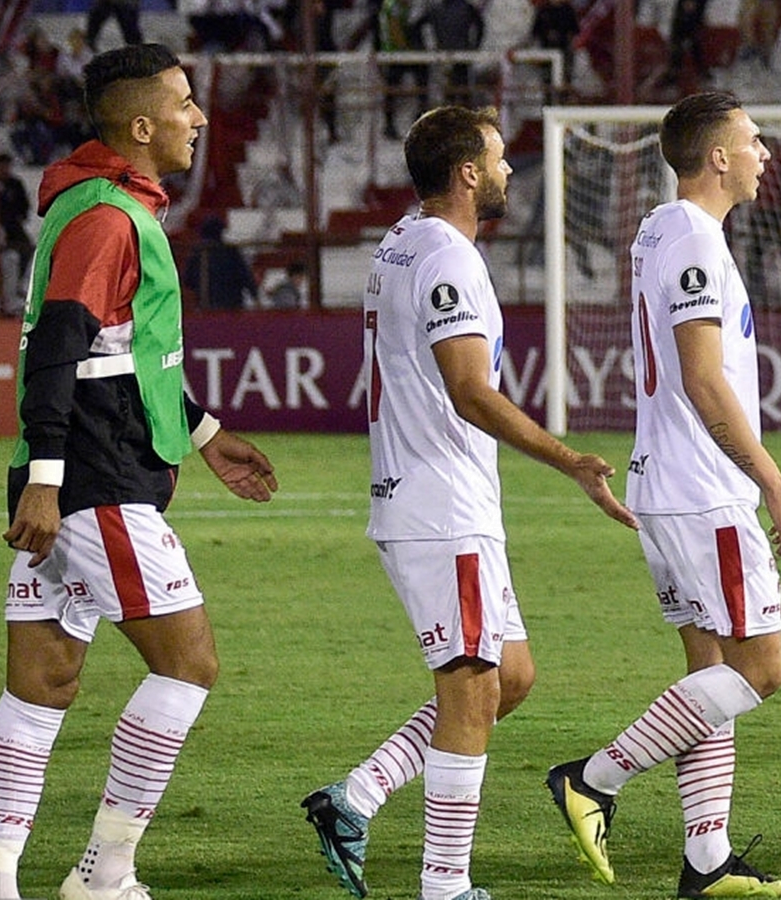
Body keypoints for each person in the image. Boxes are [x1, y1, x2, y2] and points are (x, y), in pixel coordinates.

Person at [0, 43, 279, 900]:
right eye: (183, 104)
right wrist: (49, 478)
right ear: (141, 125)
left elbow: (123, 357)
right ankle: (105, 870)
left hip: (72, 473)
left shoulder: (98, 205)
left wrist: (205, 431)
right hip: (95, 481)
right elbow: (59, 349)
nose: (199, 118)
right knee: (189, 662)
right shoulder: (108, 217)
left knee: (43, 681)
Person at [300, 104, 637, 900]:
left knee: (508, 677)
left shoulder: (401, 240)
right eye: (498, 158)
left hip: (439, 501)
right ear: (466, 175)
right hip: (439, 504)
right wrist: (569, 462)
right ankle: (445, 886)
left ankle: (357, 797)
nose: (510, 171)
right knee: (469, 686)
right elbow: (470, 392)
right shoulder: (448, 257)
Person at [546, 91, 781, 900]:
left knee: (708, 672)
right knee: (761, 670)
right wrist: (775, 484)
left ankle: (707, 860)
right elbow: (703, 378)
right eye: (754, 139)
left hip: (666, 483)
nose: (766, 152)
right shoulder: (694, 240)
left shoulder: (660, 229)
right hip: (705, 491)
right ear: (720, 157)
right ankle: (593, 778)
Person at [183, 214, 259, 310]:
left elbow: (188, 281)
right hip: (228, 308)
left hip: (217, 308)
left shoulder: (199, 253)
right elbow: (246, 277)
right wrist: (255, 296)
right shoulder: (227, 251)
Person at [0, 151, 33, 311]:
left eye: (6, 166)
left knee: (27, 248)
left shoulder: (15, 184)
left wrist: (20, 216)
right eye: (0, 166)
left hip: (13, 225)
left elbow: (24, 205)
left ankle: (19, 283)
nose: (4, 169)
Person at [417, 0, 484, 107]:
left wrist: (423, 47)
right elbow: (480, 25)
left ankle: (453, 113)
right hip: (459, 53)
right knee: (460, 89)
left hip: (448, 54)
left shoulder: (437, 9)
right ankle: (462, 114)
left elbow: (417, 26)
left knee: (452, 89)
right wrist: (475, 46)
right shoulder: (465, 8)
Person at [378, 0, 428, 139]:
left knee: (421, 81)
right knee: (392, 87)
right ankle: (389, 124)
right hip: (397, 52)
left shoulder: (398, 7)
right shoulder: (392, 6)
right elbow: (395, 30)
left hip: (402, 50)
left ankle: (420, 118)